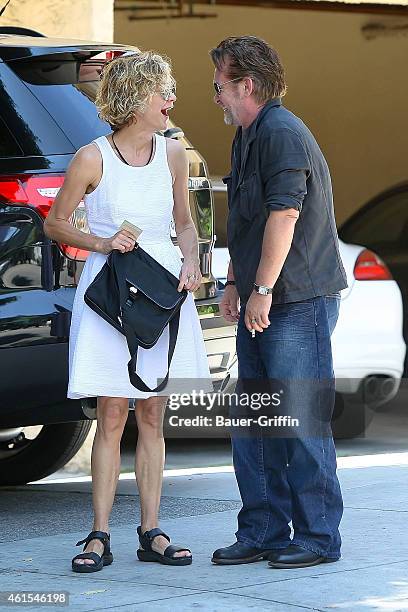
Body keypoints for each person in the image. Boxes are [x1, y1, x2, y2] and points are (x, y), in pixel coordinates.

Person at [44, 51, 211, 572]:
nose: (172, 101)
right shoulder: (91, 158)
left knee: (153, 413)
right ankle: (97, 534)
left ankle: (151, 530)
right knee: (112, 414)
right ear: (136, 99)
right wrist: (102, 240)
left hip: (161, 293)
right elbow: (55, 223)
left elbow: (184, 221)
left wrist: (190, 258)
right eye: (163, 92)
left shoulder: (173, 153)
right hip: (112, 294)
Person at [209, 36, 348, 569]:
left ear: (246, 84)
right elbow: (245, 218)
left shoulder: (282, 133)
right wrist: (233, 281)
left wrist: (262, 289)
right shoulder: (249, 134)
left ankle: (317, 538)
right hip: (264, 297)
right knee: (254, 423)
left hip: (296, 300)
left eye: (219, 85)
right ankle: (265, 529)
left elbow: (283, 216)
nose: (215, 95)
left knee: (300, 420)